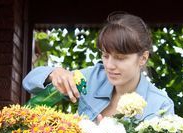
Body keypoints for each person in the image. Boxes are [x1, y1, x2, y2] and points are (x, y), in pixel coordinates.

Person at [23, 12, 174, 122]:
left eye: (120, 58)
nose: (109, 65)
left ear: (143, 58)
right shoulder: (91, 78)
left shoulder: (160, 105)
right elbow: (29, 83)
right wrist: (54, 74)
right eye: (105, 55)